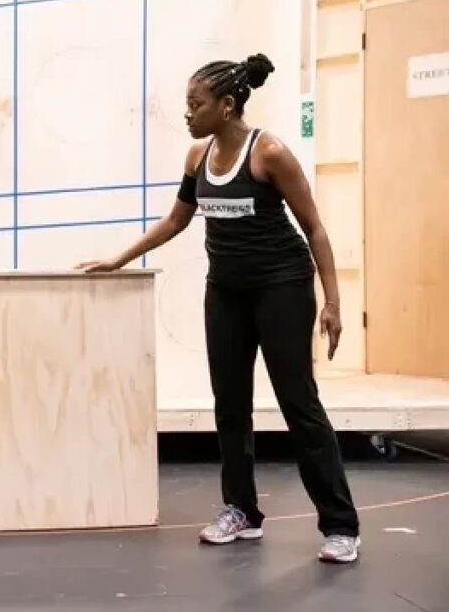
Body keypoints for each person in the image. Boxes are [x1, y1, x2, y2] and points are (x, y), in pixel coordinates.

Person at [76, 53, 361, 564]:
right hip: (226, 291)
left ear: (227, 106)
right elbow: (176, 221)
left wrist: (333, 302)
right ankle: (242, 511)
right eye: (187, 104)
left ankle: (341, 525)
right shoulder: (196, 156)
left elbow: (314, 227)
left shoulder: (269, 153)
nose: (187, 113)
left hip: (281, 287)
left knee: (299, 403)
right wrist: (119, 258)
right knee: (229, 404)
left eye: (196, 104)